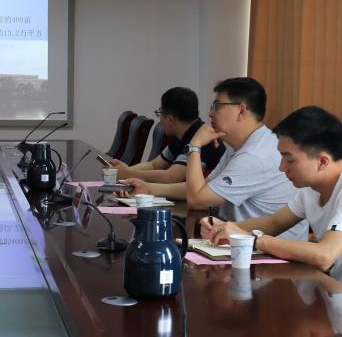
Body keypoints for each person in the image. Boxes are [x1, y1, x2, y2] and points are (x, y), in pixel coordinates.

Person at [204, 106, 342, 305]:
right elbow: (274, 222)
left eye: (289, 160)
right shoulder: (311, 188)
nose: (281, 167)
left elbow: (324, 255)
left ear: (322, 161)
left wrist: (251, 240)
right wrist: (225, 229)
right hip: (339, 293)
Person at [126, 77, 308, 240]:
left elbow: (197, 200)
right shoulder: (242, 145)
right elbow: (204, 188)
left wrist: (195, 145)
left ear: (241, 110)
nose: (210, 114)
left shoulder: (255, 155)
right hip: (239, 241)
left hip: (269, 256)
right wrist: (149, 188)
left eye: (217, 106)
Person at [111, 87, 225, 183]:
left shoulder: (203, 139)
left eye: (160, 113)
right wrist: (125, 171)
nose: (160, 119)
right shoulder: (180, 134)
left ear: (170, 119)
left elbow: (170, 177)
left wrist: (127, 173)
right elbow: (154, 165)